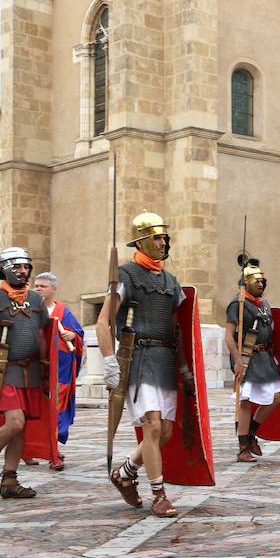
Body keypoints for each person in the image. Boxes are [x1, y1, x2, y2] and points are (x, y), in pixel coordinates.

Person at [97, 212, 193, 517]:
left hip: (165, 360)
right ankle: (159, 494)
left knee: (164, 432)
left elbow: (180, 329)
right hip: (138, 358)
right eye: (157, 237)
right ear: (141, 241)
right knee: (151, 425)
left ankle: (124, 473)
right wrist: (110, 361)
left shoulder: (171, 281)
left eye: (166, 237)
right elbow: (103, 322)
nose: (164, 242)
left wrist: (186, 368)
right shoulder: (126, 275)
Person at [0, 247, 51, 499]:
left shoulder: (37, 300)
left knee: (21, 427)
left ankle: (9, 480)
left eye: (25, 266)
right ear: (4, 269)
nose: (22, 271)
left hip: (31, 371)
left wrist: (47, 365)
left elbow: (42, 335)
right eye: (16, 267)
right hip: (3, 370)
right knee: (15, 422)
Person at [225, 259, 280, 462]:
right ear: (246, 283)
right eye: (256, 281)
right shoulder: (237, 303)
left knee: (276, 398)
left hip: (265, 358)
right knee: (246, 403)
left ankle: (251, 433)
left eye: (262, 281)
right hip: (248, 357)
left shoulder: (264, 303)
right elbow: (228, 336)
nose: (261, 284)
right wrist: (237, 360)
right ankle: (243, 448)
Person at [33, 272, 84, 470]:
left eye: (42, 286)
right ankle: (33, 450)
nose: (37, 289)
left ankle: (53, 450)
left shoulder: (63, 311)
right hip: (36, 368)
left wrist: (73, 335)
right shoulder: (30, 310)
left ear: (53, 289)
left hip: (60, 371)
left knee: (57, 410)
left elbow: (77, 334)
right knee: (35, 410)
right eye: (36, 286)